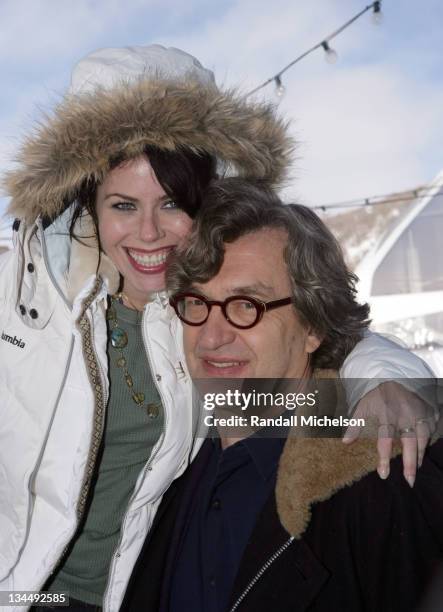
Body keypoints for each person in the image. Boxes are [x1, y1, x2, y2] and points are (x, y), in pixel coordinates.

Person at [0, 46, 436, 612]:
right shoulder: (21, 297)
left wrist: (386, 377)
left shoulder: (183, 315)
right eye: (124, 204)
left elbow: (308, 323)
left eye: (173, 203)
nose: (149, 233)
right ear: (90, 204)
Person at [122, 178, 442, 612]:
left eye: (245, 305)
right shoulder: (165, 461)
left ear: (312, 326)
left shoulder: (383, 476)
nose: (211, 337)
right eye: (197, 303)